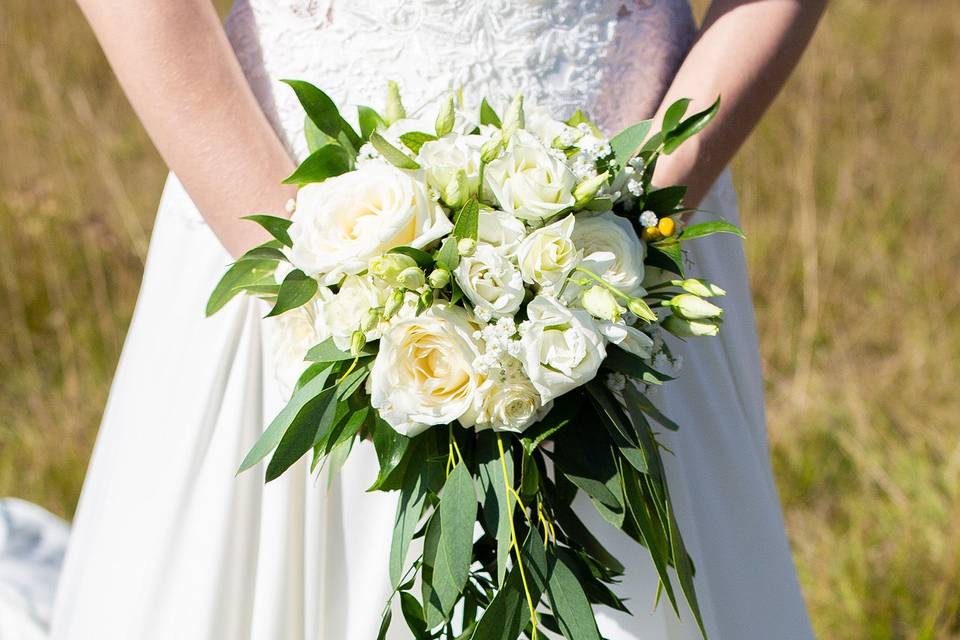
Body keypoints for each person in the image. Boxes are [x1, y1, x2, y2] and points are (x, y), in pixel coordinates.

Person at [47, 1, 826, 638]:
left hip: (619, 234)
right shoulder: (295, 253)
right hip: (278, 201)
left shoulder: (631, 226)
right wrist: (312, 273)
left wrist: (638, 212)